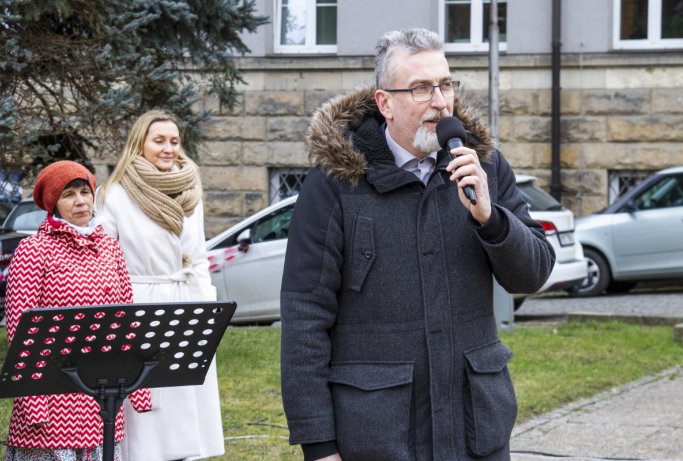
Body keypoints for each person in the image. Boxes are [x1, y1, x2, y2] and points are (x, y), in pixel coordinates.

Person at [280, 28, 556, 461]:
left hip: (475, 431)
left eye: (445, 84)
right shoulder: (335, 185)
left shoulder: (484, 167)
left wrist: (490, 218)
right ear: (384, 103)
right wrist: (319, 445)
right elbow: (304, 318)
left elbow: (533, 273)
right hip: (379, 437)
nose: (441, 101)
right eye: (421, 88)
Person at [95, 110, 224, 461]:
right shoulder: (114, 194)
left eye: (174, 141)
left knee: (184, 398)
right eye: (159, 141)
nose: (168, 149)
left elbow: (197, 256)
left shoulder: (190, 190)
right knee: (149, 404)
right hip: (140, 304)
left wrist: (205, 310)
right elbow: (105, 260)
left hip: (186, 301)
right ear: (140, 144)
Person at [4, 160, 152, 461]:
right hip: (54, 394)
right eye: (69, 195)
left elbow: (126, 317)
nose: (81, 201)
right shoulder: (34, 249)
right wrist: (34, 401)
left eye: (85, 191)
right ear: (53, 203)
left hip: (102, 392)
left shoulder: (110, 248)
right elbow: (21, 329)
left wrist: (139, 387)